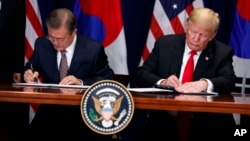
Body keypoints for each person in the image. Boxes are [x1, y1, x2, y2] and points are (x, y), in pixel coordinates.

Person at [134, 8, 236, 141]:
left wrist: (205, 83)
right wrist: (163, 82)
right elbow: (142, 74)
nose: (196, 38)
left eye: (203, 35)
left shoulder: (222, 52)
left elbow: (229, 80)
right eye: (193, 32)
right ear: (187, 27)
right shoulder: (165, 44)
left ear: (212, 36)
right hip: (164, 120)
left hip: (205, 123)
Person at [22, 8, 114, 140]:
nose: (55, 42)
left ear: (74, 32)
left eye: (60, 39)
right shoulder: (42, 44)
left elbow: (107, 79)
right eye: (51, 37)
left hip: (82, 114)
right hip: (49, 113)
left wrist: (80, 83)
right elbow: (31, 66)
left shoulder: (93, 49)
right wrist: (28, 73)